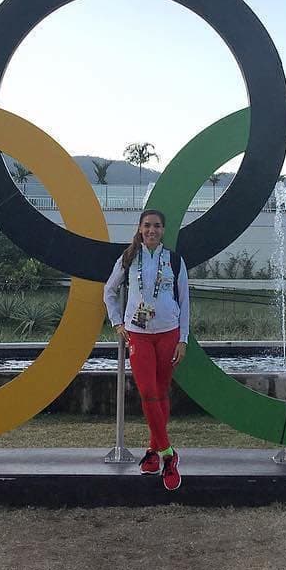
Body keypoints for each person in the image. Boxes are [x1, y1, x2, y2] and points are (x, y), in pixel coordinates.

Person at [104, 209, 190, 491]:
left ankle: (153, 452)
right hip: (138, 335)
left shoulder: (175, 260)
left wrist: (183, 339)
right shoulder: (128, 258)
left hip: (169, 333)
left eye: (156, 226)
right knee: (147, 392)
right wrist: (118, 322)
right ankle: (169, 454)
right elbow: (109, 291)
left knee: (162, 392)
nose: (151, 230)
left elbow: (185, 301)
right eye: (147, 226)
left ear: (163, 230)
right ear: (140, 229)